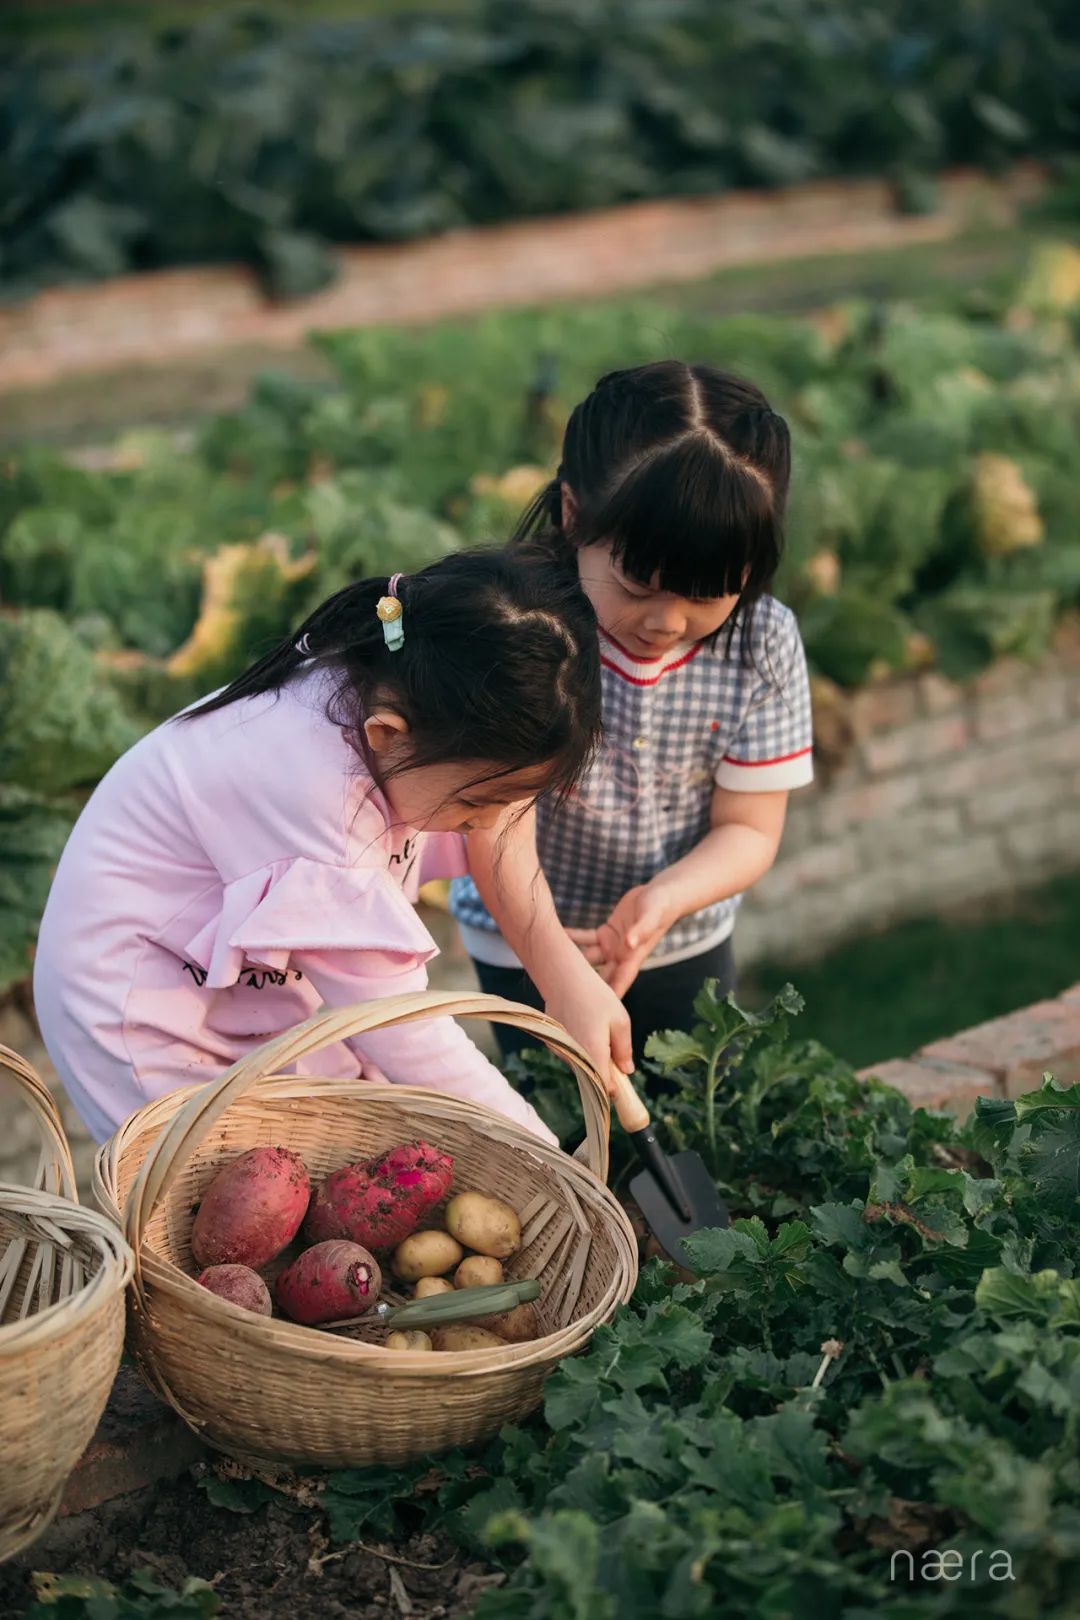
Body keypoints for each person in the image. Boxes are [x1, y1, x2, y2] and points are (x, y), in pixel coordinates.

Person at [33, 549, 633, 1147]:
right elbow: (403, 1031)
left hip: (238, 992)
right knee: (207, 1195)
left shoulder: (395, 689)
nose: (489, 826)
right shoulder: (314, 793)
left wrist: (564, 975)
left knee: (317, 1161)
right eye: (478, 803)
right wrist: (538, 1149)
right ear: (386, 736)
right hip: (143, 1006)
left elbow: (502, 821)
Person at [451, 362, 814, 1064]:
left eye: (708, 596)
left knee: (691, 1124)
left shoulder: (763, 643)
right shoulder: (521, 626)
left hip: (681, 938)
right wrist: (556, 967)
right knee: (556, 1133)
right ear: (572, 516)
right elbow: (493, 827)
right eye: (638, 586)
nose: (667, 622)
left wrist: (665, 898)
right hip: (521, 936)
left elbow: (749, 828)